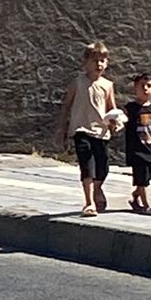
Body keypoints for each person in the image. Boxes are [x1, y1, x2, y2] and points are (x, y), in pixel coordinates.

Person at [56, 41, 118, 217]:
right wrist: (62, 127)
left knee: (102, 168)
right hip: (81, 130)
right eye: (95, 60)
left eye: (102, 61)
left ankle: (98, 189)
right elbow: (66, 105)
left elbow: (111, 109)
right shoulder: (78, 83)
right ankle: (89, 202)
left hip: (101, 132)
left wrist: (114, 122)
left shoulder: (107, 85)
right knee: (87, 166)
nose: (99, 64)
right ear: (85, 62)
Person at [122, 73, 151, 215]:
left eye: (149, 86)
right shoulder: (130, 108)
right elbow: (121, 121)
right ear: (135, 88)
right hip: (136, 150)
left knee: (147, 178)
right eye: (142, 86)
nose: (145, 89)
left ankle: (135, 196)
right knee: (141, 179)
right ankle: (145, 205)